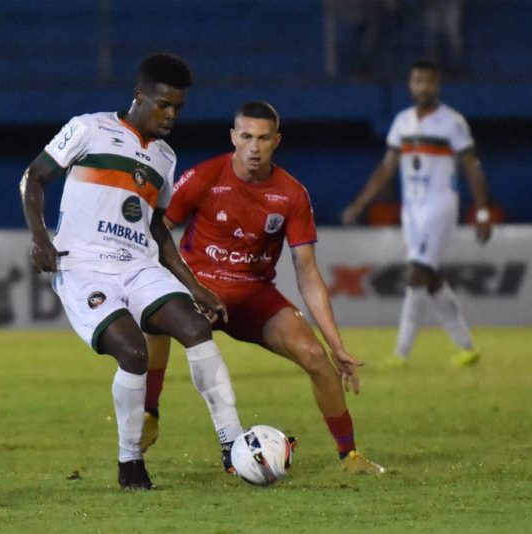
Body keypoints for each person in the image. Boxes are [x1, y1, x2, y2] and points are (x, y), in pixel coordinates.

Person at [19, 54, 244, 490]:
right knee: (134, 353)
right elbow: (33, 178)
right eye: (163, 104)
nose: (171, 115)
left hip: (138, 264)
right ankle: (130, 463)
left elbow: (156, 226)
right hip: (83, 265)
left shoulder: (164, 156)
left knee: (197, 328)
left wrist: (194, 287)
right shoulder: (89, 128)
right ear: (140, 96)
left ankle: (232, 444)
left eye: (178, 107)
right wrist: (40, 238)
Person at [142, 101, 385, 475]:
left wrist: (336, 343)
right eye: (246, 137)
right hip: (198, 291)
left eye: (263, 138)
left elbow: (307, 272)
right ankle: (149, 413)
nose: (254, 147)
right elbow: (154, 236)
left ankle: (349, 456)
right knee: (154, 317)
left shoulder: (291, 194)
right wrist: (176, 286)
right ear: (233, 137)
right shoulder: (203, 177)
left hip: (253, 295)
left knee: (317, 358)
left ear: (277, 140)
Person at [342, 59, 492, 367]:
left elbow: (472, 166)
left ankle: (402, 352)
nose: (424, 87)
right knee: (431, 277)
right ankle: (467, 346)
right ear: (411, 84)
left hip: (440, 205)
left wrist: (482, 211)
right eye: (418, 81)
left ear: (438, 85)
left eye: (430, 81)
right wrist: (360, 203)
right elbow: (386, 168)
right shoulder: (402, 122)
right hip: (412, 210)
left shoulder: (452, 122)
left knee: (417, 273)